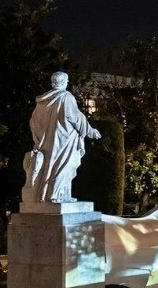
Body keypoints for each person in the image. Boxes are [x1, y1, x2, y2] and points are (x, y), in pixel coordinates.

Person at [26, 71, 102, 203]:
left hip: (47, 142)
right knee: (63, 166)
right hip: (64, 142)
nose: (67, 83)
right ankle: (54, 195)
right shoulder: (66, 97)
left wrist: (40, 136)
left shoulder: (42, 101)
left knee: (51, 167)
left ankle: (56, 194)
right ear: (62, 82)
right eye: (66, 81)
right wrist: (91, 131)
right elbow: (75, 118)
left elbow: (33, 121)